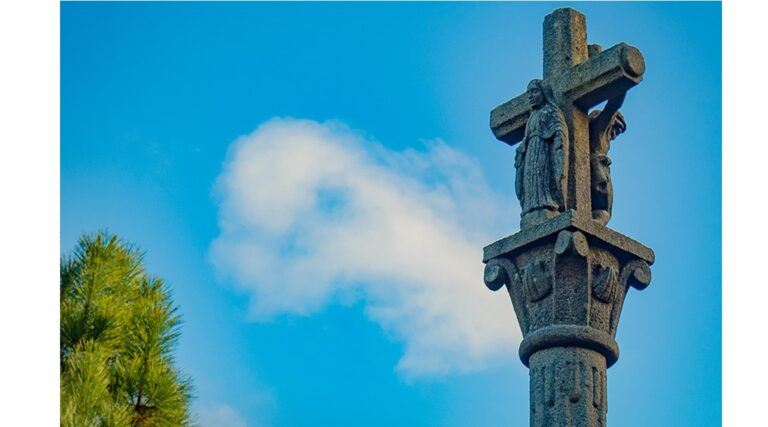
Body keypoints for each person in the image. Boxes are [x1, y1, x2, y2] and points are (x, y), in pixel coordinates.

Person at [515, 79, 569, 228]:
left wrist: (559, 140)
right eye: (528, 93)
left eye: (534, 91)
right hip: (531, 152)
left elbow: (559, 129)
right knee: (530, 179)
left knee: (542, 177)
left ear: (544, 93)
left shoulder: (551, 111)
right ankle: (530, 208)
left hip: (544, 150)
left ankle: (547, 204)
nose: (530, 96)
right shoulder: (532, 116)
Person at [588, 94, 627, 225]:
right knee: (603, 204)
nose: (615, 135)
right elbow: (613, 106)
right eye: (616, 129)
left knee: (605, 208)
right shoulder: (600, 129)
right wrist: (622, 85)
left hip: (600, 166)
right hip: (596, 166)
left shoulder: (605, 136)